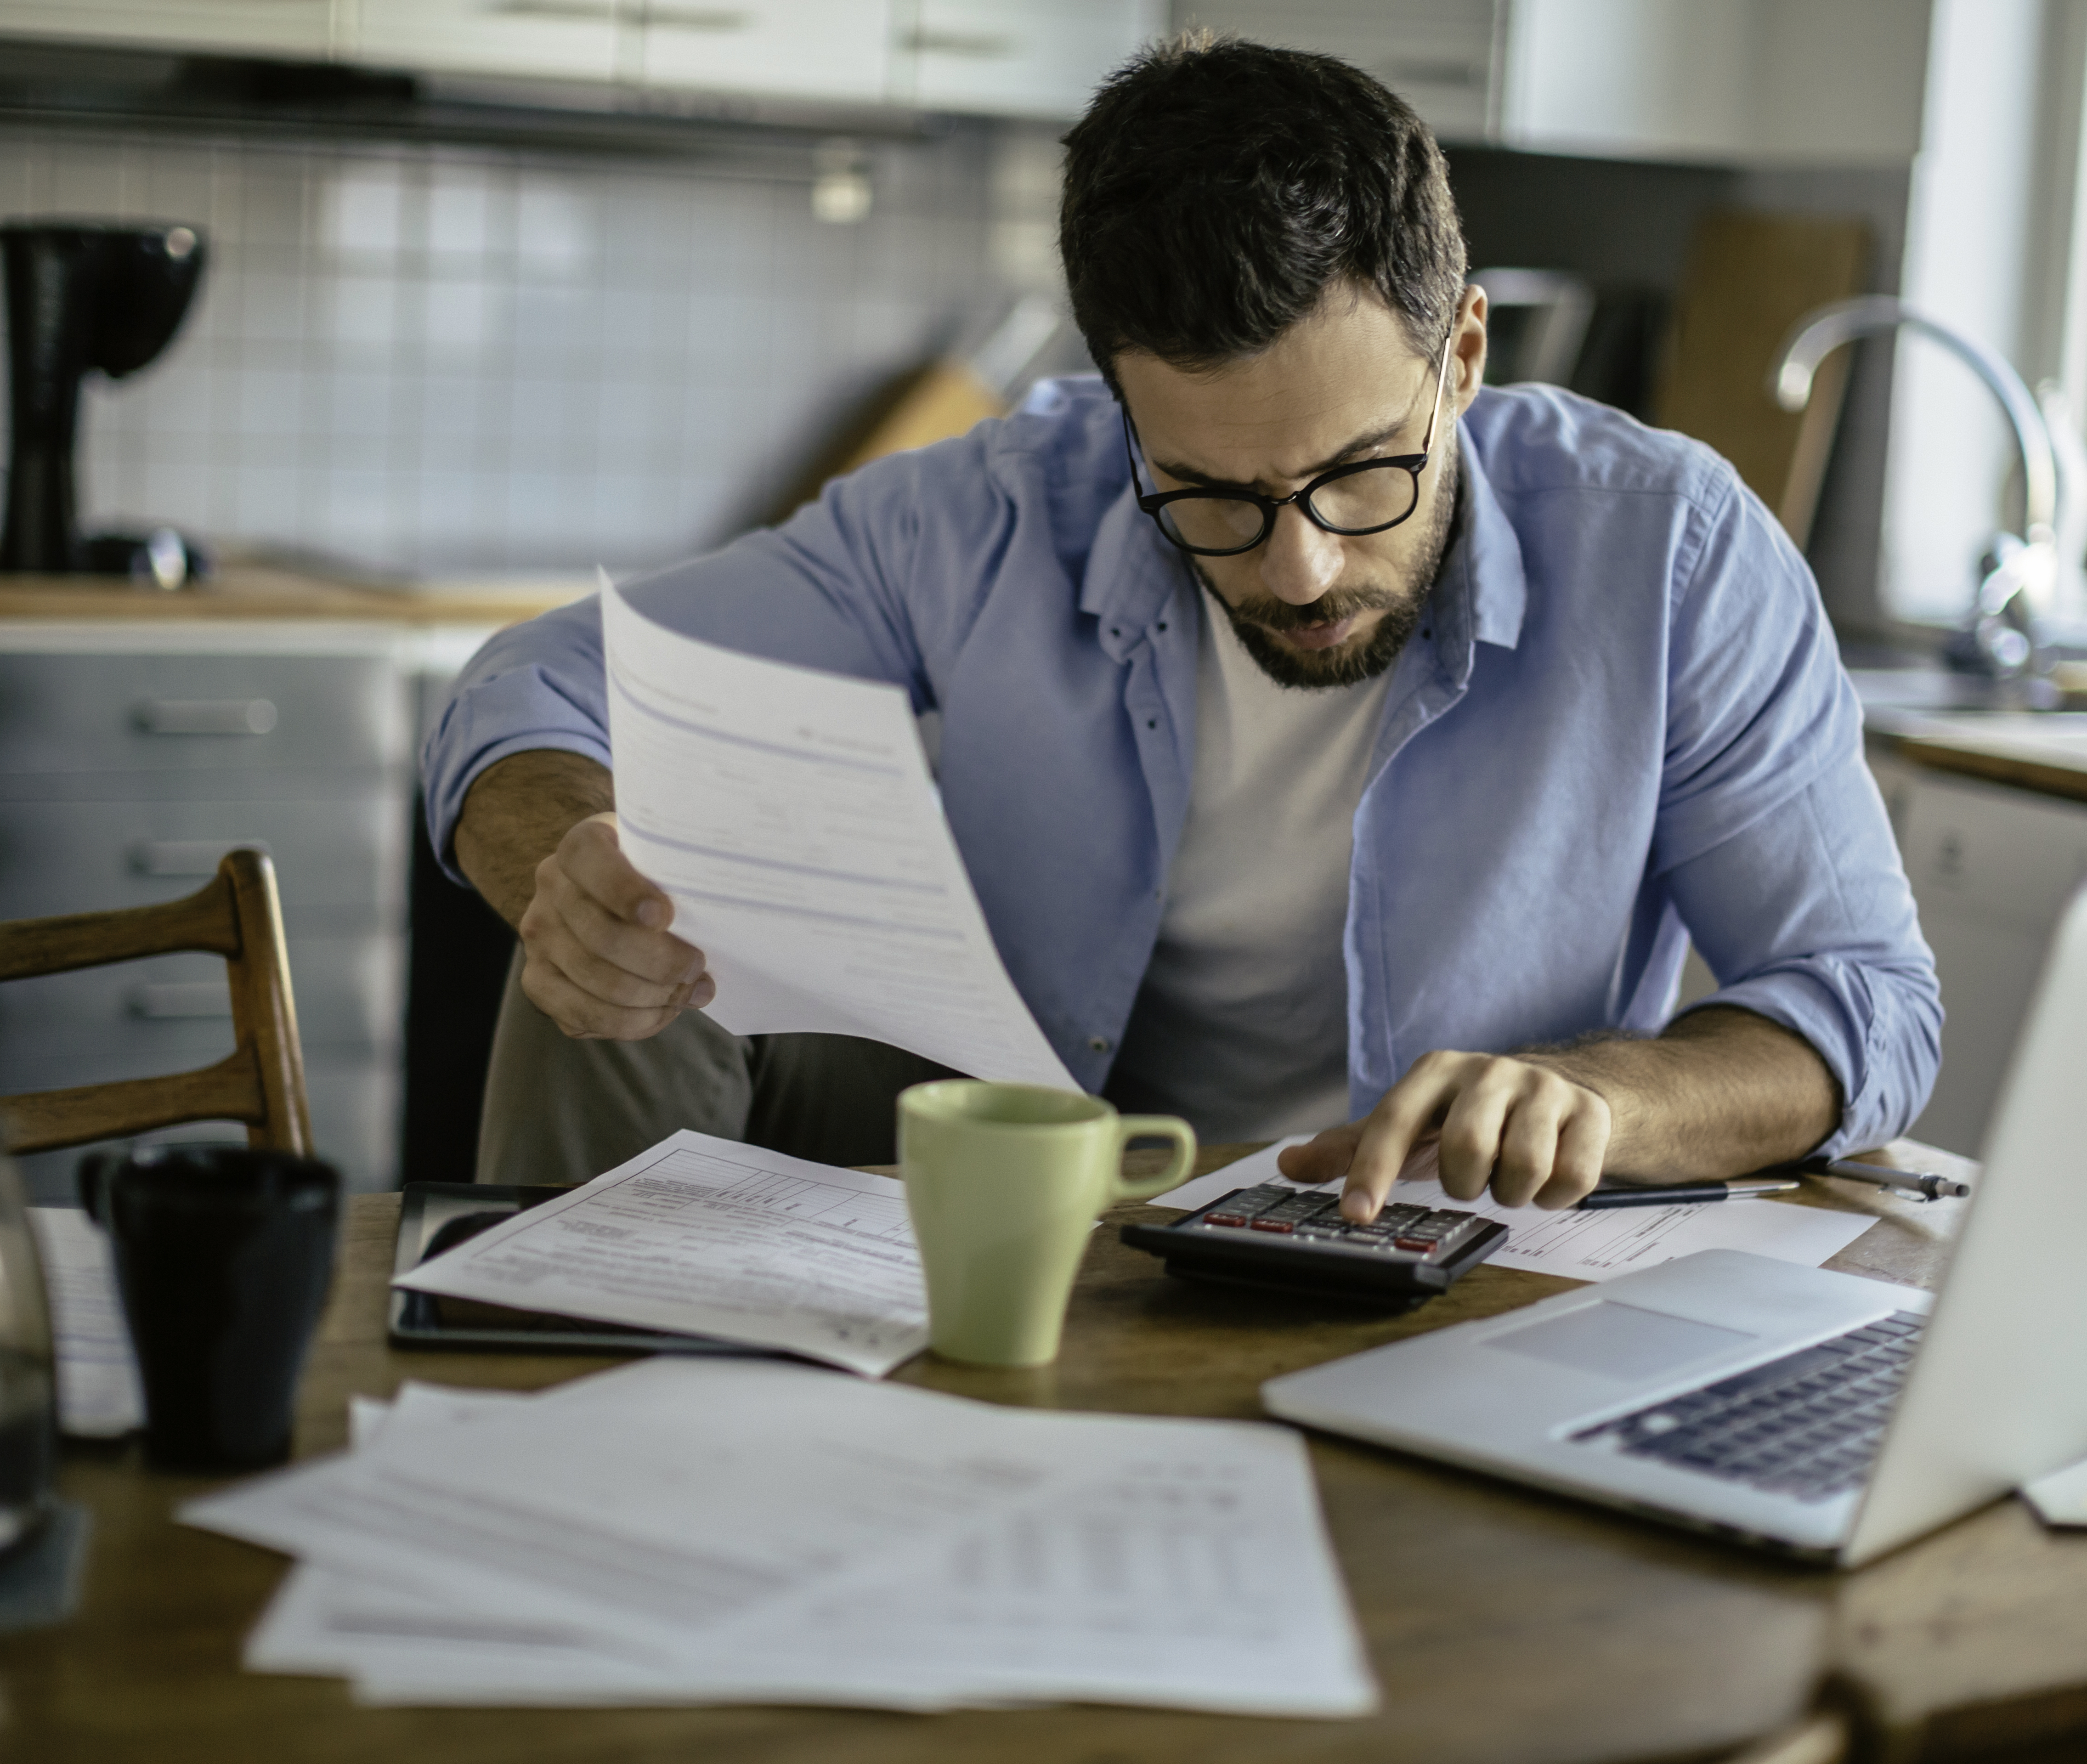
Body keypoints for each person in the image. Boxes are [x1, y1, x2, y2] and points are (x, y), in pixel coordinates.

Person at [423, 35, 1940, 1221]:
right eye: (1207, 492)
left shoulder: (1671, 546)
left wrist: (1601, 1100)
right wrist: (571, 860)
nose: (1294, 566)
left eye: (1361, 476)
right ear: (1121, 411)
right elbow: (534, 679)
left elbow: (1865, 1004)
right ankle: (557, 1421)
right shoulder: (1000, 506)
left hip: (1419, 1230)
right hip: (1035, 1158)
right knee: (622, 890)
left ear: (1463, 352)